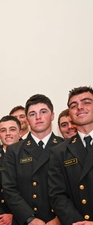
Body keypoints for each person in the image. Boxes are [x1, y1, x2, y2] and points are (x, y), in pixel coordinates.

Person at [2, 94, 63, 225]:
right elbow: (9, 189)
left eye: (43, 112)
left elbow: (73, 187)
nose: (38, 117)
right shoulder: (14, 150)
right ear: (27, 120)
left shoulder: (65, 146)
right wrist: (30, 219)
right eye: (32, 114)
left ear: (52, 115)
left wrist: (60, 218)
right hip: (27, 220)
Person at [49, 86, 93, 224]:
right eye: (73, 105)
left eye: (86, 102)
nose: (79, 107)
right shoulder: (59, 152)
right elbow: (57, 195)